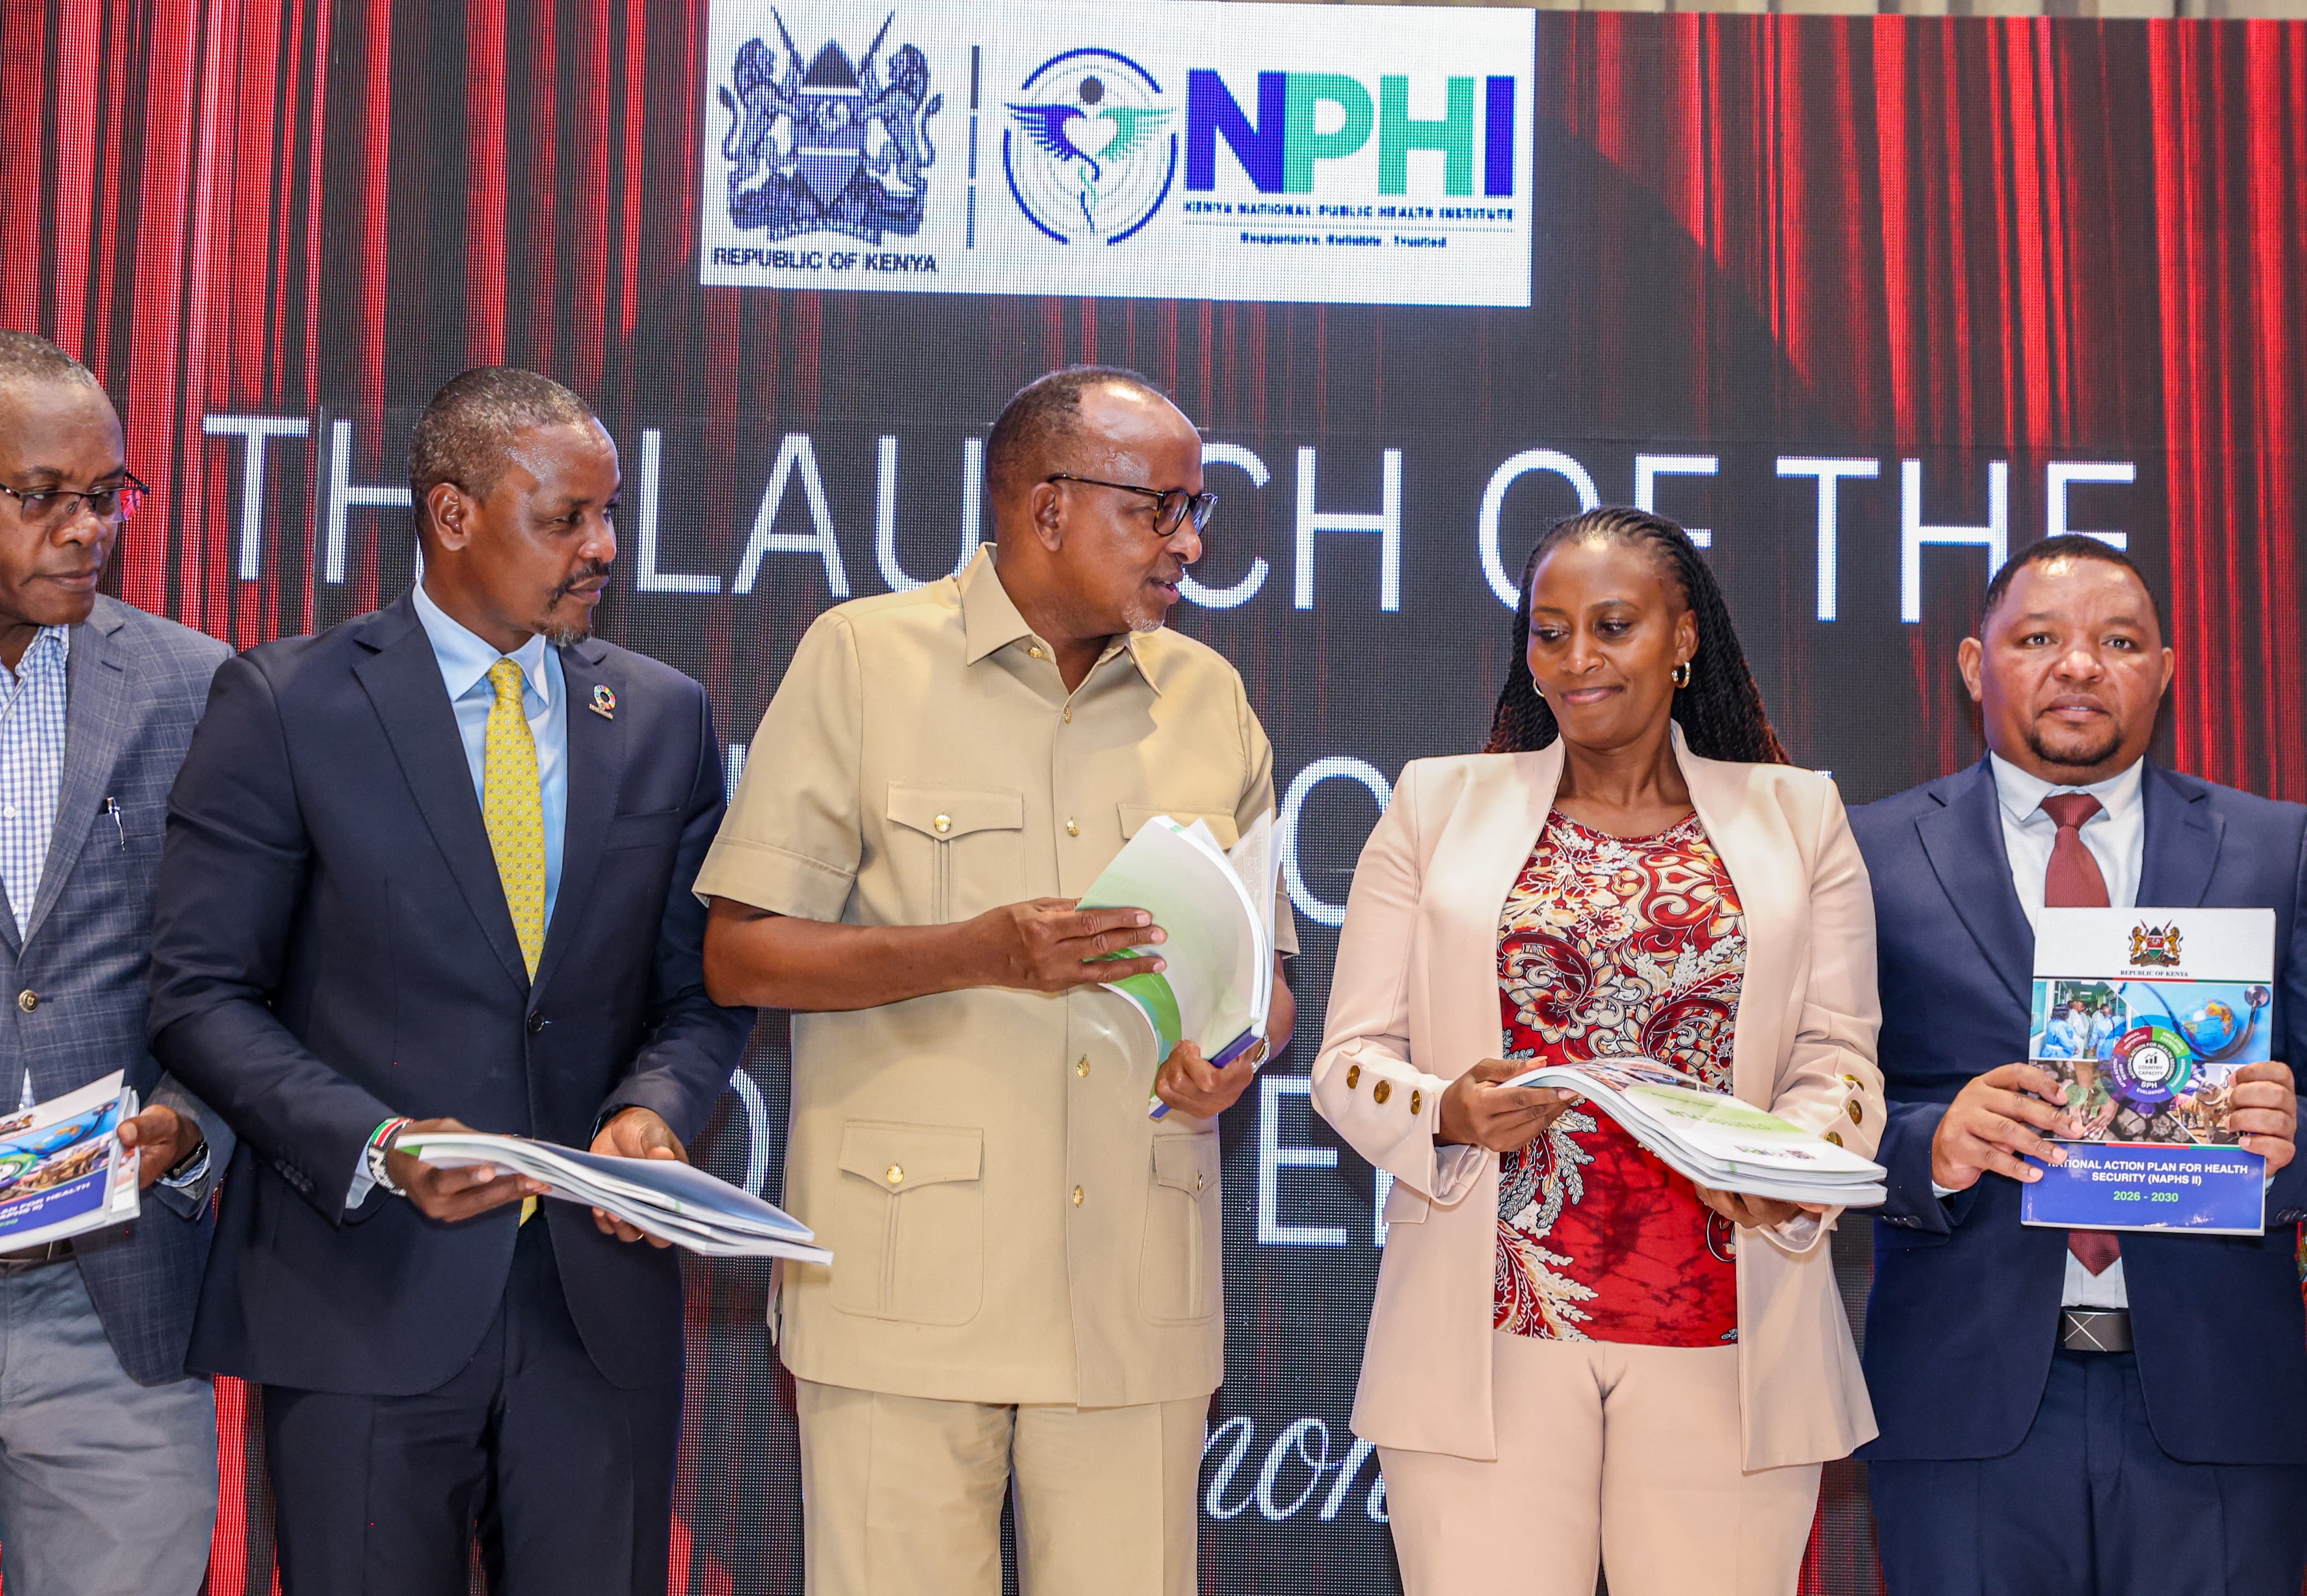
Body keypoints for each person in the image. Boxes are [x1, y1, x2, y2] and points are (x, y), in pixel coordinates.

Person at [145, 367, 753, 1595]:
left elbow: (702, 993)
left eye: (609, 513)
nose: (604, 547)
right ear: (453, 513)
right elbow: (199, 992)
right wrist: (376, 1142)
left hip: (595, 1310)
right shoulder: (285, 702)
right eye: (567, 516)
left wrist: (658, 1107)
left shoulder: (663, 715)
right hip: (359, 1296)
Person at [696, 365, 1295, 1596]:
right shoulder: (863, 657)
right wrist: (975, 952)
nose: (1189, 544)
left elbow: (1266, 978)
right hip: (903, 1285)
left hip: (1130, 1286)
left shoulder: (1207, 694)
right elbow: (743, 949)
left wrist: (1234, 1052)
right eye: (1160, 509)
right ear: (1046, 508)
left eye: (1199, 509)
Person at [1312, 507, 1883, 1596]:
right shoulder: (1437, 803)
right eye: (1549, 630)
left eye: (1611, 625)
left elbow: (1839, 1057)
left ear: (1683, 639)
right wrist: (1445, 1105)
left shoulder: (1798, 814)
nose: (1575, 660)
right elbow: (1348, 1059)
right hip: (1488, 1331)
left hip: (1728, 1324)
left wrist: (1790, 1161)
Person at [1852, 534, 2307, 1595]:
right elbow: (1807, 1106)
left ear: (2167, 668)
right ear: (1976, 664)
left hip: (2219, 1398)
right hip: (1963, 1400)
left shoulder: (2276, 849)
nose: (2080, 665)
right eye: (2042, 638)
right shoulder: (1867, 852)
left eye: (2118, 641)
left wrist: (2291, 1138)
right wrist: (1933, 1142)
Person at [0, 333, 233, 1594]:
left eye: (108, 496)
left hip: (112, 1315)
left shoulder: (199, 691)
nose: (86, 528)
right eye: (42, 496)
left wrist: (190, 1130)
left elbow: (255, 979)